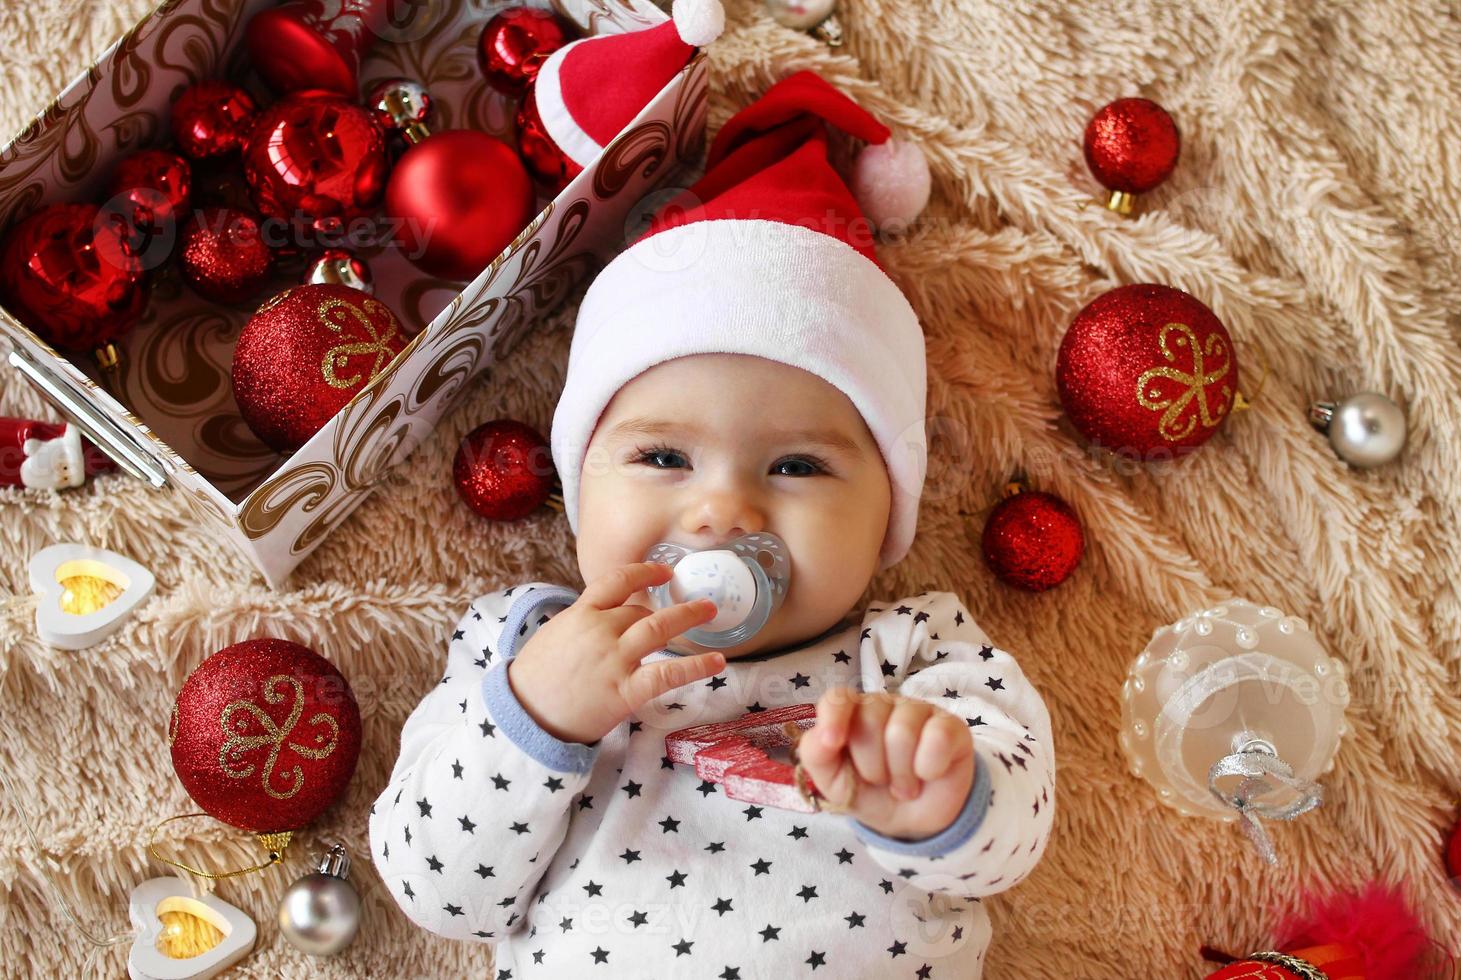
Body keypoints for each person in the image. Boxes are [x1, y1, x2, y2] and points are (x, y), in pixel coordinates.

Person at [368, 69, 1055, 978]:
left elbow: (1015, 840)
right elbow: (441, 897)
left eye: (798, 466)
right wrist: (533, 720)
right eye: (663, 458)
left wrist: (940, 796)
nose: (724, 510)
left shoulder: (911, 656)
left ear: (889, 507)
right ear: (579, 486)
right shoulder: (523, 647)